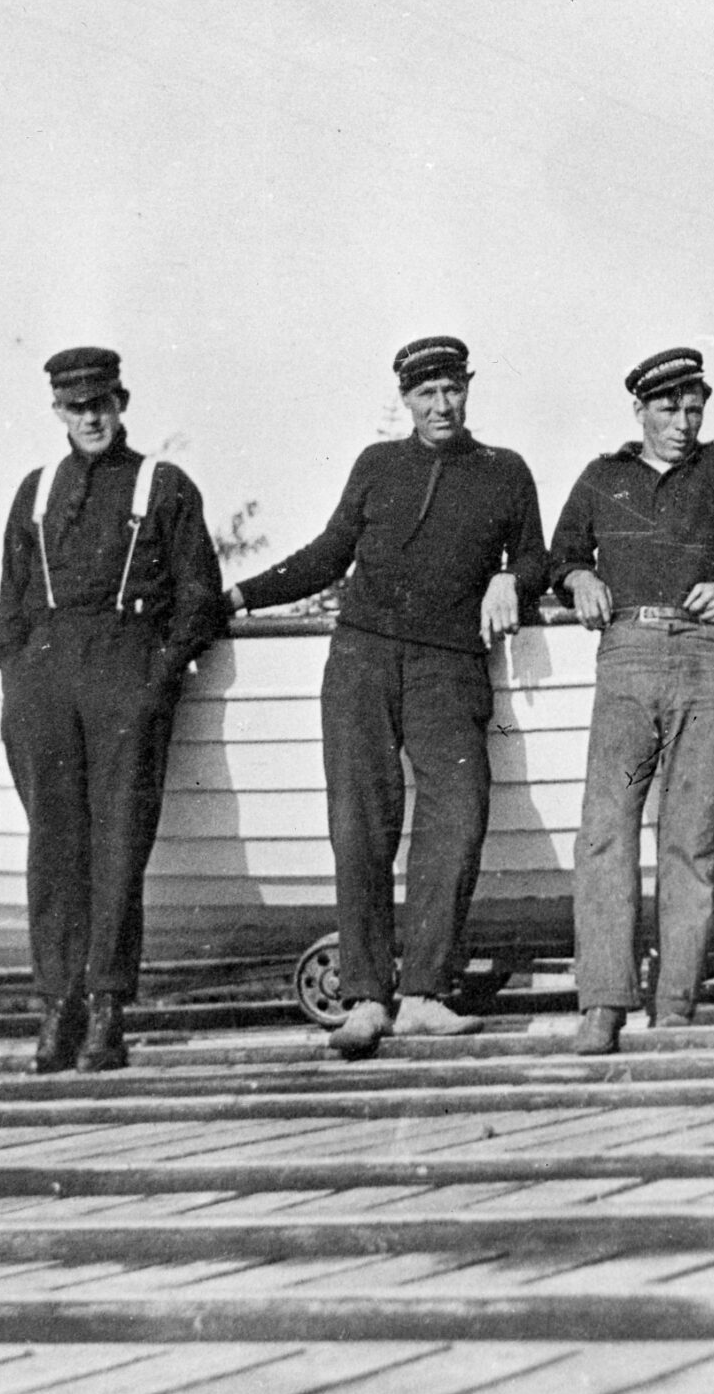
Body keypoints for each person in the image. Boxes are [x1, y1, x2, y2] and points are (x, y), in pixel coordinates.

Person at [228, 335, 548, 1057]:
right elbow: (326, 553)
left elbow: (536, 556)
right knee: (360, 825)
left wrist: (511, 580)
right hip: (362, 659)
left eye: (453, 389)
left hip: (449, 666)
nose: (442, 404)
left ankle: (425, 994)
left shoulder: (504, 472)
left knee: (458, 818)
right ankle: (366, 998)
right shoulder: (377, 466)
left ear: (468, 389)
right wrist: (242, 594)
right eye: (426, 393)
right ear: (405, 399)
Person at [0, 346, 225, 1072]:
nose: (90, 417)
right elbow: (10, 608)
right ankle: (55, 1007)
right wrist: (21, 676)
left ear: (121, 402)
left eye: (101, 404)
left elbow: (200, 598)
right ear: (58, 412)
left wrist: (155, 679)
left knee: (118, 845)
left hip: (126, 670)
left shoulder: (163, 485)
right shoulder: (37, 490)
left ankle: (106, 1011)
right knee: (52, 848)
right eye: (75, 407)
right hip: (46, 680)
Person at [552, 346, 714, 1055]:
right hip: (628, 654)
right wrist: (578, 580)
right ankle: (603, 1004)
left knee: (691, 836)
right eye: (670, 409)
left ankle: (676, 1003)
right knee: (606, 831)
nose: (684, 422)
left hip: (708, 657)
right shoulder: (601, 478)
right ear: (640, 410)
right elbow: (560, 558)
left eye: (695, 407)